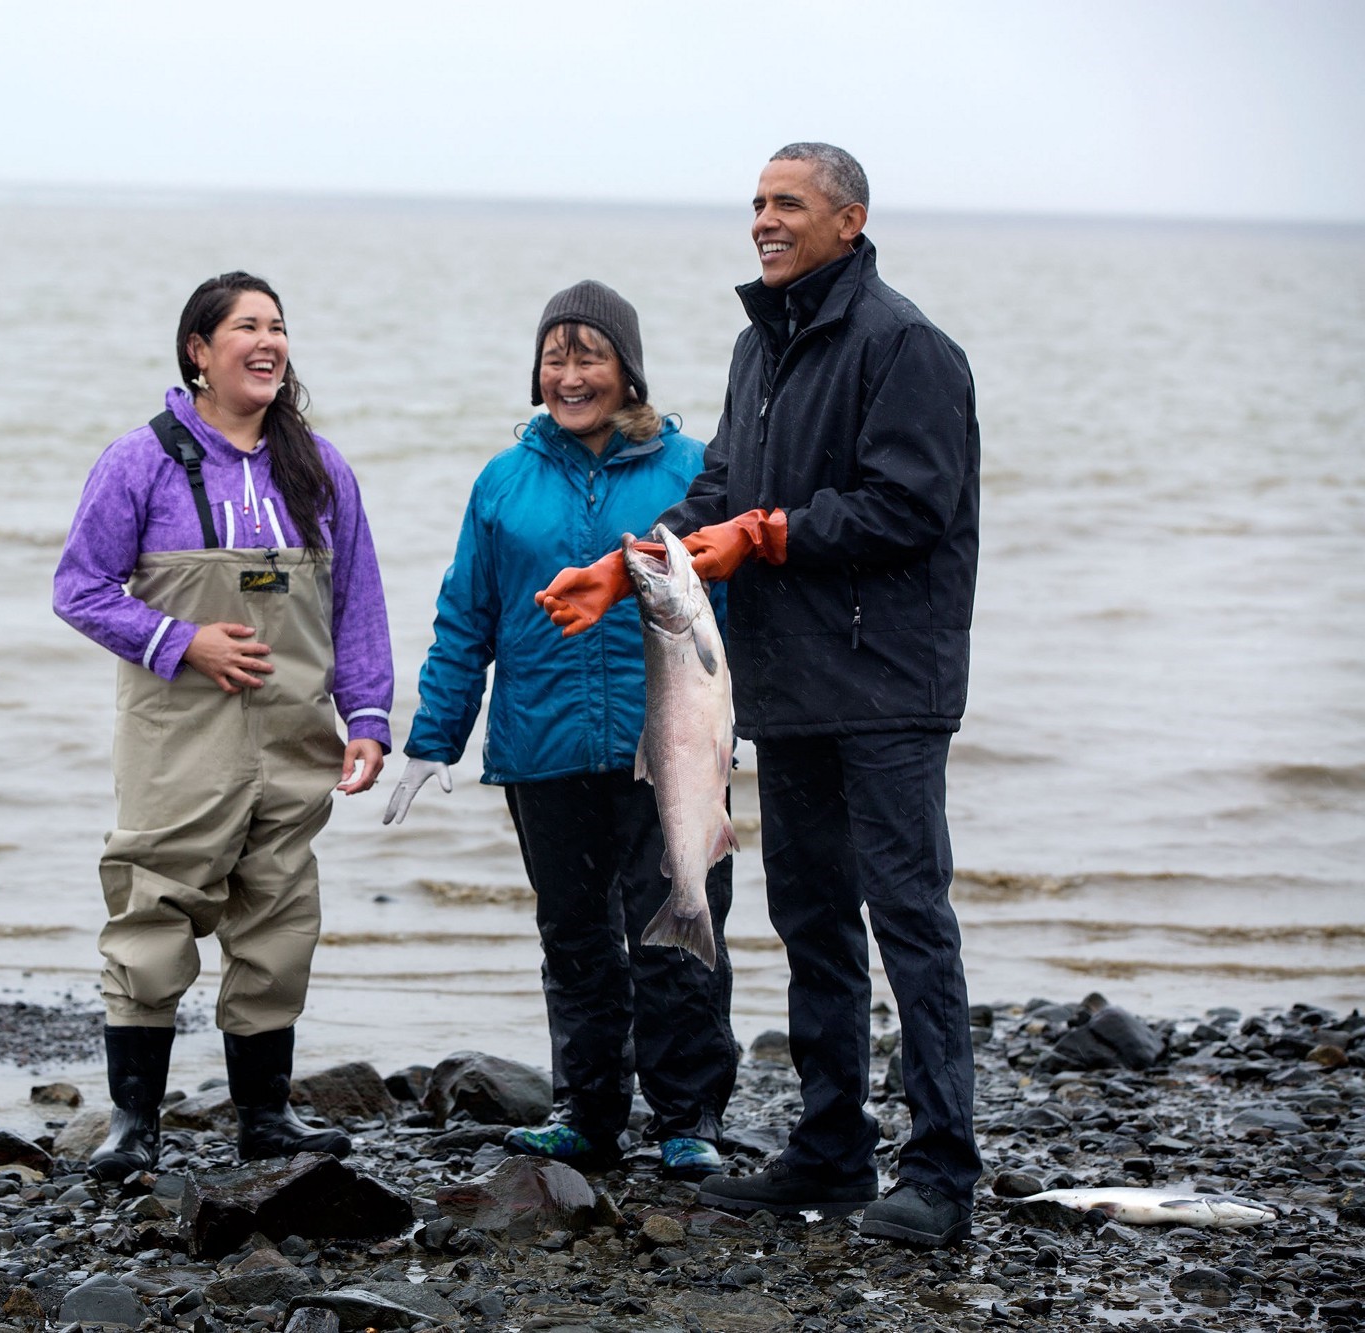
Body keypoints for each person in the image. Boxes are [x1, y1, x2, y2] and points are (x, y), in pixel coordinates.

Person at [535, 144, 983, 1247]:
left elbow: (907, 506)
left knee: (909, 920)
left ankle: (940, 1170)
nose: (762, 221)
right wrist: (627, 562)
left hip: (886, 686)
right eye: (755, 203)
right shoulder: (759, 345)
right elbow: (723, 490)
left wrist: (770, 533)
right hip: (784, 687)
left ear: (849, 220)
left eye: (787, 204)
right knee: (811, 918)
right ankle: (829, 1145)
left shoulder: (904, 346)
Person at [384, 280, 738, 1178]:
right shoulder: (503, 482)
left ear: (628, 372)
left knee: (679, 930)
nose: (570, 373)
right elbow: (467, 616)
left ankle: (688, 1115)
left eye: (590, 355)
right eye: (556, 356)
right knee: (574, 937)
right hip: (542, 749)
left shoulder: (692, 470)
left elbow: (732, 609)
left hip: (670, 756)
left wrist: (757, 719)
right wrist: (435, 737)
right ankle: (586, 1109)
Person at [53, 271, 393, 1180]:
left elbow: (356, 602)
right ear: (198, 351)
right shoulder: (141, 461)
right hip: (180, 736)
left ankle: (268, 1118)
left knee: (280, 914)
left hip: (293, 738)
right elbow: (78, 589)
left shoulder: (319, 468)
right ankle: (135, 1123)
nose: (268, 341)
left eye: (278, 326)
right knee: (153, 906)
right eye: (247, 326)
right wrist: (182, 639)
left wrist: (366, 715)